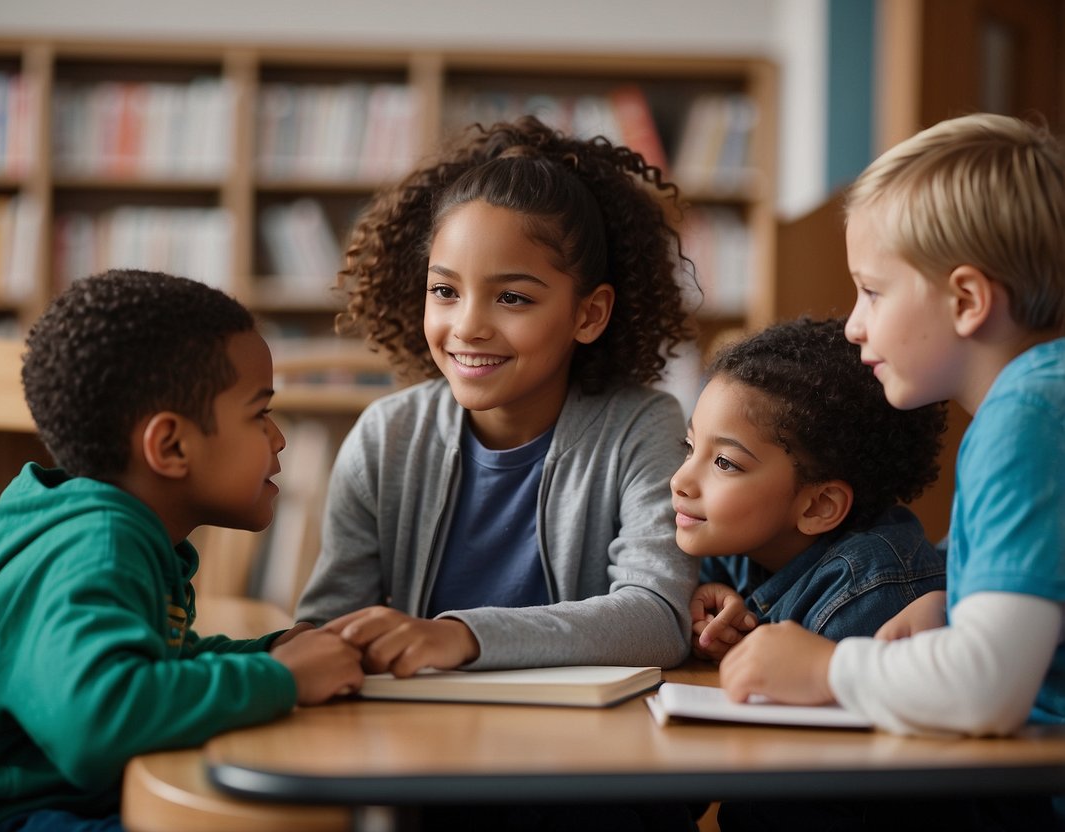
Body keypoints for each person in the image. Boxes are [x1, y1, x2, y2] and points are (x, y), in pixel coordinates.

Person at [0, 269, 364, 832]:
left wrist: (270, 654)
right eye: (259, 413)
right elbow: (99, 721)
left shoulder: (120, 535)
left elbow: (151, 668)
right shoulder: (95, 544)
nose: (280, 437)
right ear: (170, 445)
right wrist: (282, 680)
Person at [719, 113, 1065, 829]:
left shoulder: (1026, 415)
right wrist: (950, 596)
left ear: (966, 300)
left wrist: (821, 670)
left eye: (871, 292)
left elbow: (985, 691)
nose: (852, 325)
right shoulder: (1037, 399)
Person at [293, 115, 699, 678]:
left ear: (589, 313)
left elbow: (658, 619)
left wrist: (461, 636)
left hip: (579, 742)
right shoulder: (387, 435)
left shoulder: (642, 428)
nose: (468, 326)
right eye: (445, 291)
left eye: (511, 297)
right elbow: (327, 625)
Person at [677, 316, 947, 663]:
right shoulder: (740, 539)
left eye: (725, 463)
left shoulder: (866, 593)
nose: (679, 481)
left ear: (818, 506)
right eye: (689, 445)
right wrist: (705, 598)